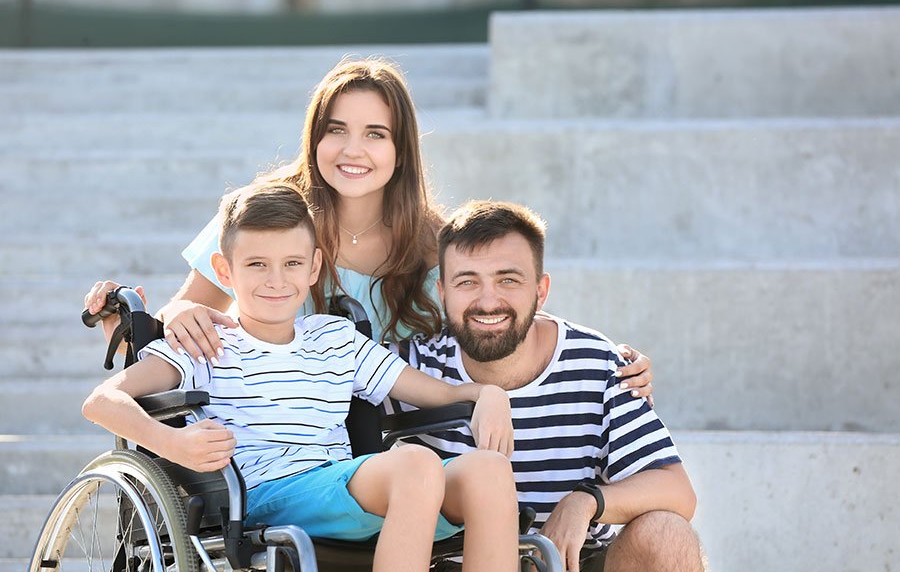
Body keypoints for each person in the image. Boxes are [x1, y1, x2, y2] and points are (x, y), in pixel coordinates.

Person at [84, 57, 656, 400]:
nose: (352, 151)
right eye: (337, 130)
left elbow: (497, 312)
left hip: (397, 434)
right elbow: (186, 309)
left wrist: (611, 361)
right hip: (271, 420)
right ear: (315, 138)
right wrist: (170, 315)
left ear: (401, 150)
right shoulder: (264, 216)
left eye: (375, 134)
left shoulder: (435, 244)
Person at [82, 183, 521, 572]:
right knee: (417, 463)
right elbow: (101, 401)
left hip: (344, 484)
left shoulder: (335, 337)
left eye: (292, 263)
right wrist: (171, 443)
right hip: (264, 494)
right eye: (257, 264)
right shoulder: (204, 344)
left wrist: (489, 394)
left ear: (313, 268)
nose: (276, 280)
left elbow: (438, 393)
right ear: (224, 271)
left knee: (489, 470)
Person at [385, 200, 704, 572]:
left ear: (541, 290)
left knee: (666, 533)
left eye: (508, 280)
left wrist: (585, 502)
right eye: (467, 281)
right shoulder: (412, 369)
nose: (488, 301)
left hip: (573, 561)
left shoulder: (596, 363)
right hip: (455, 564)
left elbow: (677, 490)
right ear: (442, 292)